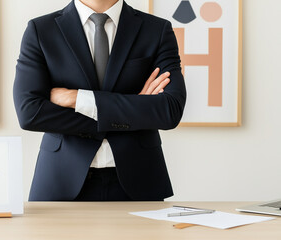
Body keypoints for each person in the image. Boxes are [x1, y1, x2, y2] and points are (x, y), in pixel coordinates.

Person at [13, 0, 186, 201]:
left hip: (139, 180)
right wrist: (133, 109)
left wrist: (77, 98)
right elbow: (30, 113)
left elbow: (169, 111)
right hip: (60, 181)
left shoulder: (156, 30)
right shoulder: (41, 29)